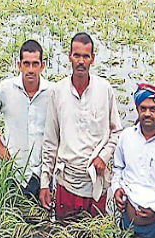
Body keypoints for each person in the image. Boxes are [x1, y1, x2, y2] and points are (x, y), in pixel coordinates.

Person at [40, 33, 122, 219]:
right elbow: (51, 140)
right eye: (77, 55)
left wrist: (103, 156)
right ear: (69, 56)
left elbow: (116, 132)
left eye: (86, 56)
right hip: (67, 181)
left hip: (96, 182)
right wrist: (45, 182)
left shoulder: (104, 90)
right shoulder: (58, 92)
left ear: (92, 59)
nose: (81, 61)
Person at [0, 39, 51, 197]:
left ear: (43, 65)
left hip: (43, 172)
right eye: (26, 64)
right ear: (19, 65)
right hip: (14, 169)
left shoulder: (52, 93)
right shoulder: (4, 90)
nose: (31, 69)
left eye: (35, 64)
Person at [112, 84, 155, 238]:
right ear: (137, 110)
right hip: (127, 224)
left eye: (153, 109)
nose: (147, 113)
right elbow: (118, 168)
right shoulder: (126, 137)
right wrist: (116, 188)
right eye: (143, 109)